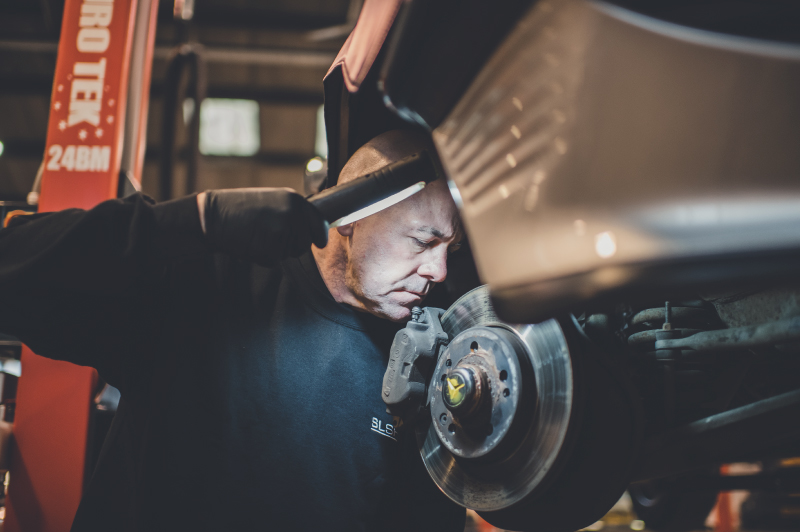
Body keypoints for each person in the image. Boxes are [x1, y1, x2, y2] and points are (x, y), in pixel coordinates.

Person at [0, 129, 467, 531]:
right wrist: (195, 222)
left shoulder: (421, 361)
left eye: (449, 246)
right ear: (349, 219)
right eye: (424, 240)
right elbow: (13, 266)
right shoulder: (203, 283)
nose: (440, 270)